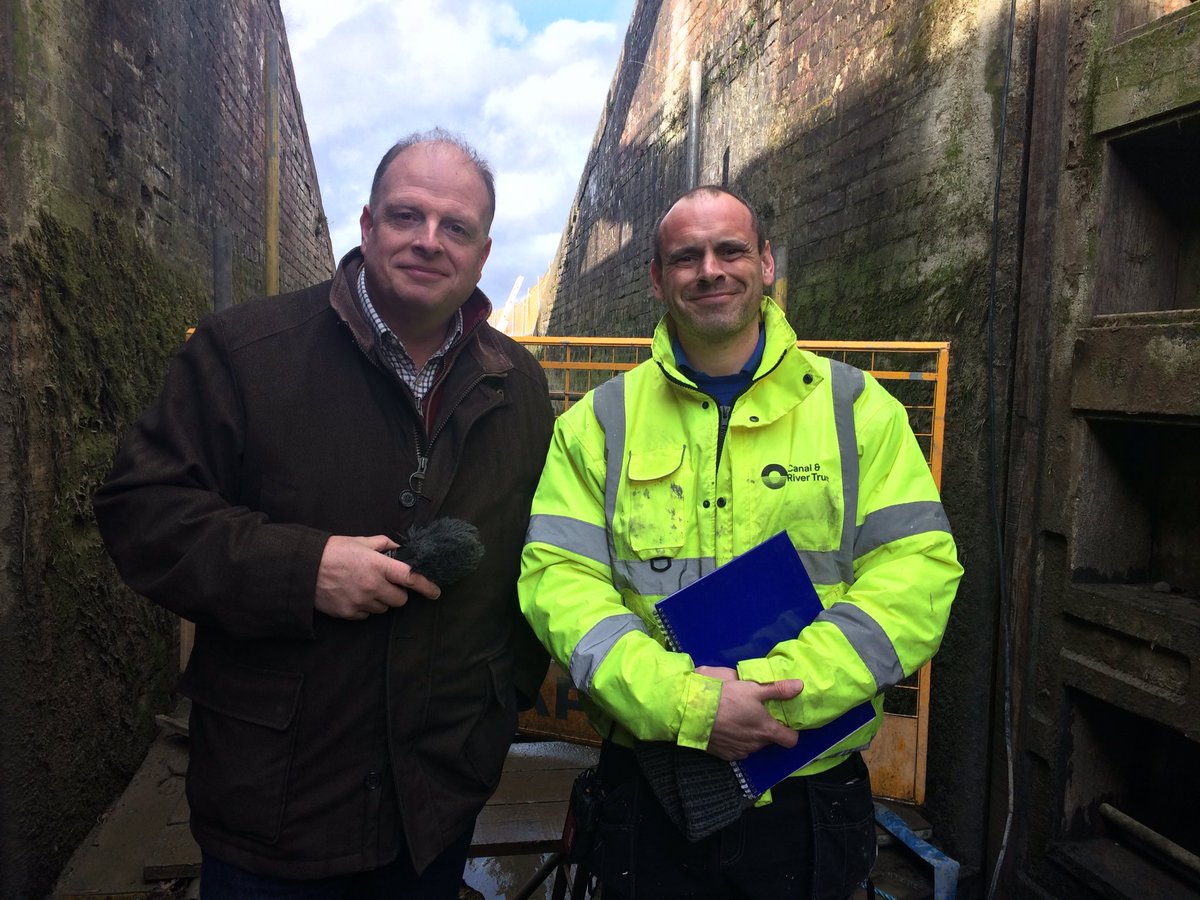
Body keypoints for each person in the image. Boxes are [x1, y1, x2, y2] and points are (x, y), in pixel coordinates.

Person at [94, 129, 555, 898]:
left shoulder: (521, 384)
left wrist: (500, 700)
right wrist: (303, 569)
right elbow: (142, 510)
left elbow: (541, 552)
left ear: (483, 253)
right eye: (407, 216)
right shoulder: (244, 352)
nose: (428, 241)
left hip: (437, 799)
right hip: (275, 804)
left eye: (456, 228)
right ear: (368, 226)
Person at [519, 185, 962, 899]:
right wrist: (688, 704)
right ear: (659, 280)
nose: (710, 269)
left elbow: (917, 573)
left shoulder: (856, 409)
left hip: (808, 791)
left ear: (766, 264)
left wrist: (769, 697)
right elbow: (558, 583)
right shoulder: (597, 425)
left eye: (730, 250)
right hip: (651, 789)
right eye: (686, 256)